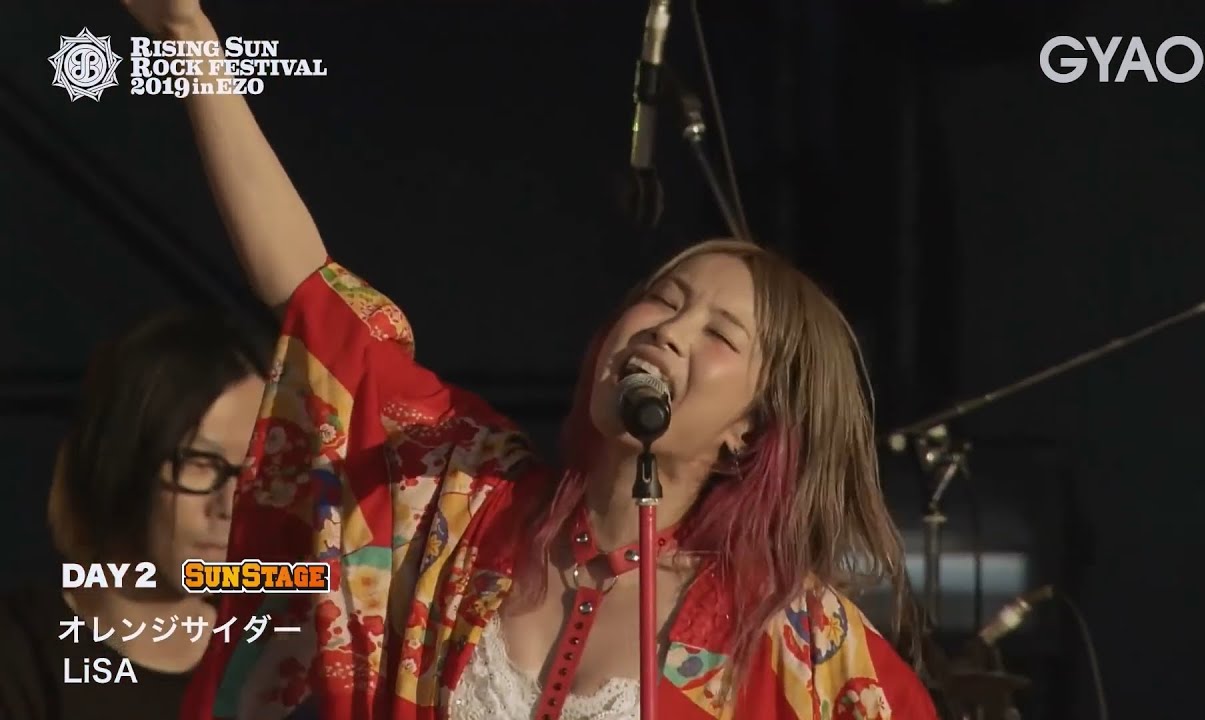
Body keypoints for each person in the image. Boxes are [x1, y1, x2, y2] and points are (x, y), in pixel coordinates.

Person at [121, 2, 939, 718]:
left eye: (720, 335)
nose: (669, 331)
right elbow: (311, 293)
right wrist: (189, 35)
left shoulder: (796, 640)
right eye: (663, 299)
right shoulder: (464, 503)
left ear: (750, 429)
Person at [0, 308, 269, 720]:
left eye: (254, 470)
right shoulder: (21, 657)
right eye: (199, 463)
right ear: (126, 462)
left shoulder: (278, 666)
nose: (231, 504)